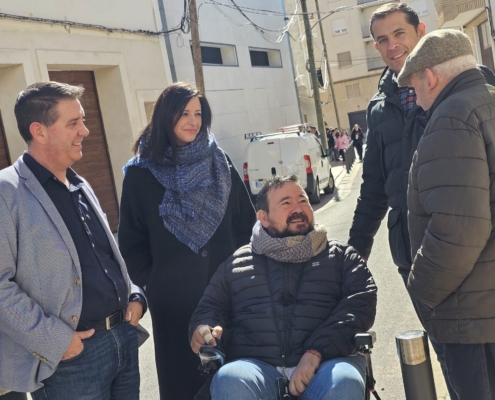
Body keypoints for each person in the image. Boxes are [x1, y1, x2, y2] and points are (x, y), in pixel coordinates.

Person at [347, 4, 495, 397]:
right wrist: (354, 251)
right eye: (381, 39)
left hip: (463, 258)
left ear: (421, 33)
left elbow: (463, 218)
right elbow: (374, 188)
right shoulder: (380, 108)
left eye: (398, 34)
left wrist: (427, 288)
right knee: (454, 360)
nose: (391, 45)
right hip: (414, 254)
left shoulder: (464, 89)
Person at [0, 82, 147, 400]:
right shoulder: (6, 192)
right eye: (73, 123)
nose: (85, 131)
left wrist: (133, 292)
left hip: (122, 338)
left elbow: (103, 257)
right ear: (39, 131)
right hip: (70, 361)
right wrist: (55, 341)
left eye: (83, 120)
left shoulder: (79, 182)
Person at [118, 82, 256, 399]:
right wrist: (156, 283)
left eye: (198, 113)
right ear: (166, 117)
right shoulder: (140, 175)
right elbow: (132, 245)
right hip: (174, 307)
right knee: (183, 385)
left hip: (228, 298)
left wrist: (242, 278)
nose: (193, 120)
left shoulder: (220, 163)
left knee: (233, 381)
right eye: (184, 113)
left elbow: (245, 227)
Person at [189, 175, 377, 400]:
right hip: (256, 369)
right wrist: (204, 330)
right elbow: (211, 308)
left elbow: (360, 304)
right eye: (286, 203)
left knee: (344, 382)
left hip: (328, 365)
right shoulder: (235, 264)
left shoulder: (342, 257)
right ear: (264, 217)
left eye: (303, 200)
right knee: (229, 380)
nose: (298, 208)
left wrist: (316, 352)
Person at [398, 29, 495, 400]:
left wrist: (422, 290)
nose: (418, 100)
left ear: (431, 76)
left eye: (415, 87)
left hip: (473, 318)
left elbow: (458, 230)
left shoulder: (452, 117)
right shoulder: (487, 100)